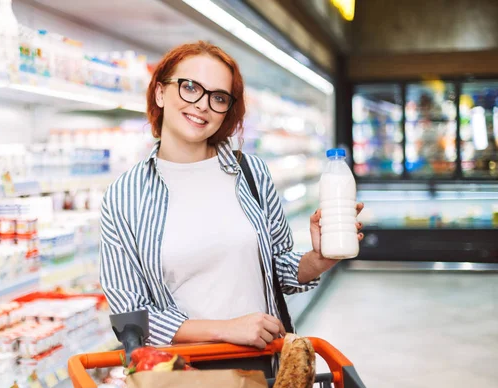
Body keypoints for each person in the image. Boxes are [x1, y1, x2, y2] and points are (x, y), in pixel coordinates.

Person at [99, 41, 364, 352]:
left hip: (265, 366)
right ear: (160, 92)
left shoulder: (251, 173)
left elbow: (276, 271)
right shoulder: (124, 196)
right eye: (189, 87)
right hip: (180, 377)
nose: (202, 105)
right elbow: (130, 318)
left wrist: (319, 258)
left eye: (218, 97)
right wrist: (226, 330)